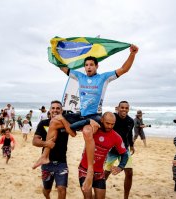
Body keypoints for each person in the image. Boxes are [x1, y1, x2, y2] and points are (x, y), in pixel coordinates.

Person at [33, 44, 139, 192]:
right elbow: (62, 67)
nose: (88, 67)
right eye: (86, 65)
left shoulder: (104, 78)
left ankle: (90, 170)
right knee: (54, 121)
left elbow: (124, 69)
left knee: (88, 132)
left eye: (91, 65)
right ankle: (45, 155)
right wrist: (56, 52)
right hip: (80, 114)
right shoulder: (79, 76)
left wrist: (132, 54)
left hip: (95, 115)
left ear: (96, 66)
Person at [79, 112, 128, 199]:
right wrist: (88, 120)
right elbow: (73, 126)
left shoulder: (116, 137)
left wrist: (120, 167)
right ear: (101, 120)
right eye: (107, 123)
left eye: (112, 124)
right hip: (84, 170)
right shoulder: (93, 129)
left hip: (99, 172)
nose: (110, 126)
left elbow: (124, 154)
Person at [32, 100, 74, 199]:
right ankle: (47, 197)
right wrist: (46, 143)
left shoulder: (66, 124)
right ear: (50, 110)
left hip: (62, 162)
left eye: (58, 108)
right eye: (53, 108)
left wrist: (63, 120)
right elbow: (34, 141)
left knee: (62, 189)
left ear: (62, 110)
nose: (55, 110)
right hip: (46, 163)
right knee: (47, 190)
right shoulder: (43, 123)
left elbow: (73, 133)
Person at [104, 101, 134, 199]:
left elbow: (129, 134)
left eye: (126, 108)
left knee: (129, 173)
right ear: (118, 108)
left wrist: (132, 145)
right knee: (106, 173)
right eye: (122, 107)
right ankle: (98, 191)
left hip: (124, 150)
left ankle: (126, 197)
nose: (124, 110)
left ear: (128, 109)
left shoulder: (130, 121)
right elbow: (105, 130)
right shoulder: (113, 118)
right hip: (111, 150)